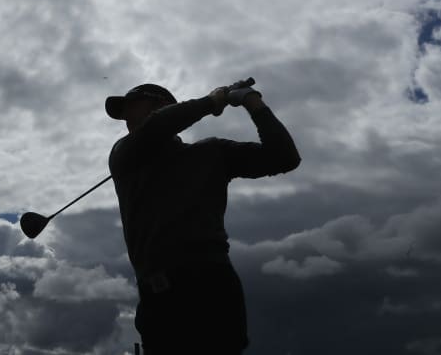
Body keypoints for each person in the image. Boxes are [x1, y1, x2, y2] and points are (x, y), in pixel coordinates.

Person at [105, 81, 301, 354]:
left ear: (158, 107)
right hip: (159, 294)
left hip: (212, 283)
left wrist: (252, 101)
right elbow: (158, 127)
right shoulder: (122, 154)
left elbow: (284, 157)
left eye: (130, 109)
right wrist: (211, 101)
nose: (125, 120)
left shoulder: (212, 151)